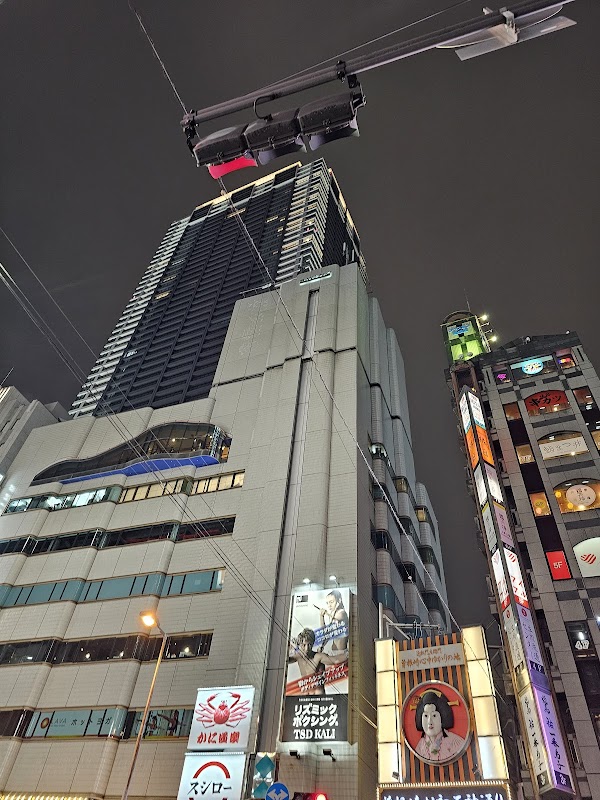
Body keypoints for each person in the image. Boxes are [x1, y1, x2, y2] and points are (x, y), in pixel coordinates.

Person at [289, 628, 348, 695]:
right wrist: (289, 648)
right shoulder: (298, 656)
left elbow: (336, 660)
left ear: (313, 643)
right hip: (304, 694)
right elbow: (285, 661)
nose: (307, 648)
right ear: (300, 644)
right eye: (304, 645)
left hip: (318, 694)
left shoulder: (318, 656)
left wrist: (349, 654)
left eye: (309, 645)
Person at [414, 690, 466, 762]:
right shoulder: (420, 747)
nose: (429, 722)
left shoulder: (456, 742)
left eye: (434, 715)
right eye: (426, 716)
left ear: (443, 718)